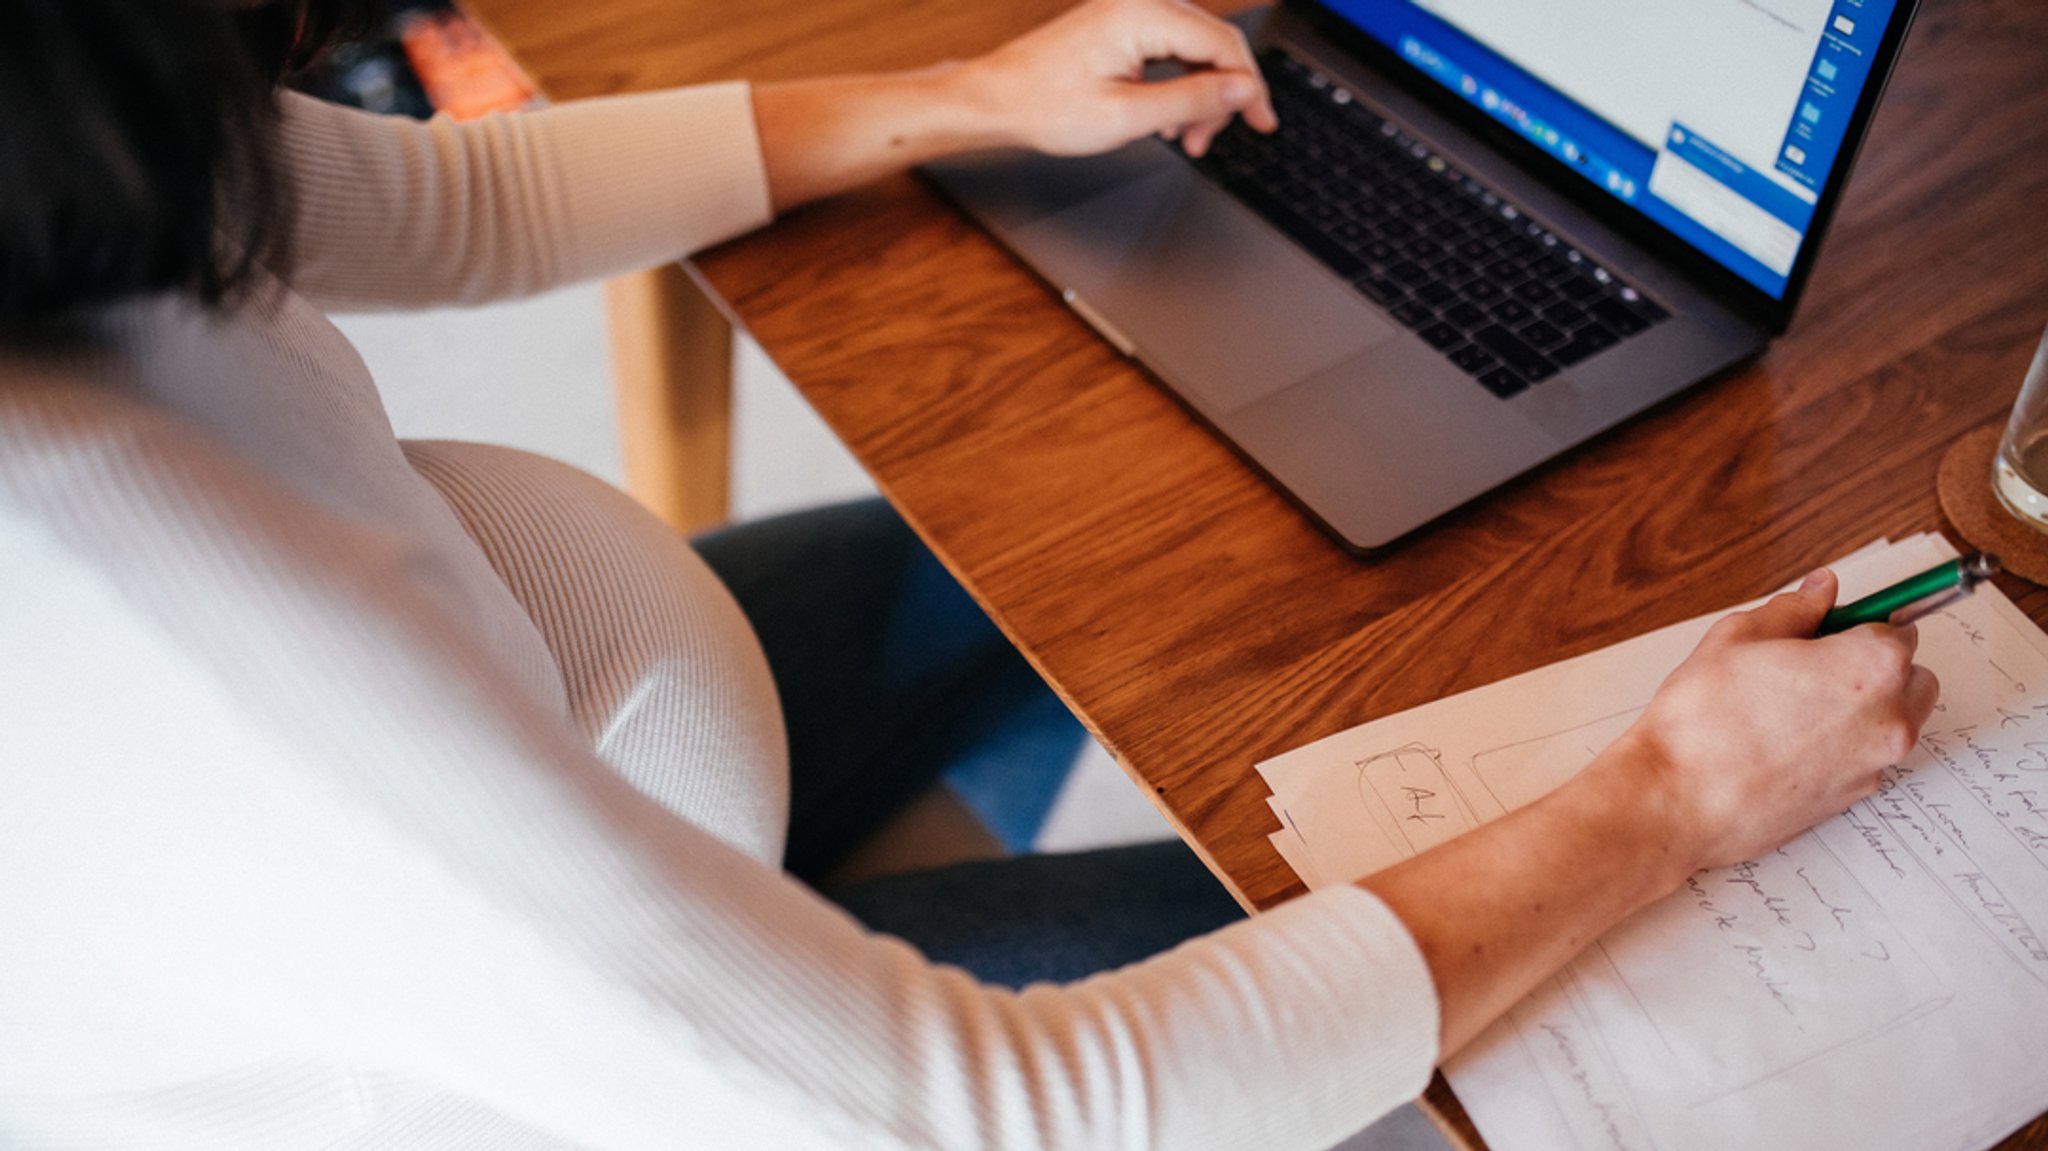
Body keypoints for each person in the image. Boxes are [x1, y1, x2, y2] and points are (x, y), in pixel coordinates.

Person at [0, 0, 1937, 1147]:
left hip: (554, 763)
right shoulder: (153, 644)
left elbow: (433, 196)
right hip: (600, 1100)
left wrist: (983, 95)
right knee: (1497, 971)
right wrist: (1667, 801)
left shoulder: (65, 143)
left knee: (1150, 585)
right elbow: (1027, 1110)